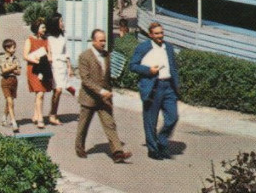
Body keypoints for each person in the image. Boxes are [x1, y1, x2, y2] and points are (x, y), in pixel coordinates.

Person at [76, 29, 132, 162]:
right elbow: (86, 79)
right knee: (83, 125)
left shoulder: (107, 55)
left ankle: (117, 153)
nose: (103, 43)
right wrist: (101, 91)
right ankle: (79, 148)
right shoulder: (84, 56)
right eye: (100, 40)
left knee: (110, 124)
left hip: (104, 99)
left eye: (104, 40)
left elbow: (106, 77)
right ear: (93, 41)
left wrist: (109, 93)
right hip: (89, 97)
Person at [129, 21, 181, 160]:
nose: (160, 36)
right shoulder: (143, 47)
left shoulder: (168, 47)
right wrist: (148, 70)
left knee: (173, 117)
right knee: (151, 120)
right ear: (151, 35)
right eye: (157, 33)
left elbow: (173, 67)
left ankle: (161, 140)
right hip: (153, 86)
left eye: (162, 33)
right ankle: (153, 149)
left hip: (168, 86)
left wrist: (177, 84)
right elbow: (132, 65)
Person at [23, 19, 53, 128]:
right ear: (37, 29)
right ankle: (40, 118)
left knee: (40, 93)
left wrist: (49, 59)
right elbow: (25, 56)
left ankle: (35, 115)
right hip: (33, 69)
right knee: (39, 93)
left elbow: (50, 54)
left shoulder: (46, 40)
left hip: (43, 69)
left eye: (45, 27)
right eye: (42, 27)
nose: (44, 30)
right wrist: (37, 60)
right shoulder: (29, 40)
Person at [46, 14, 75, 125]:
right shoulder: (48, 37)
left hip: (62, 65)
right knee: (57, 90)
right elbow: (48, 52)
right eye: (61, 21)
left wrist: (69, 67)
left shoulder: (63, 36)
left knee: (58, 90)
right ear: (55, 23)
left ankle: (53, 113)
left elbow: (66, 52)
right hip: (53, 65)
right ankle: (52, 115)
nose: (62, 23)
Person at [0, 38, 21, 132]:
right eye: (13, 47)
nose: (14, 49)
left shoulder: (16, 59)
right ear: (7, 48)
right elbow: (3, 70)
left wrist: (10, 68)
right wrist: (13, 67)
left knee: (10, 102)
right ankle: (14, 122)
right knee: (10, 102)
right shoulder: (3, 58)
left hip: (14, 81)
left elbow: (19, 72)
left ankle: (4, 117)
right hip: (5, 81)